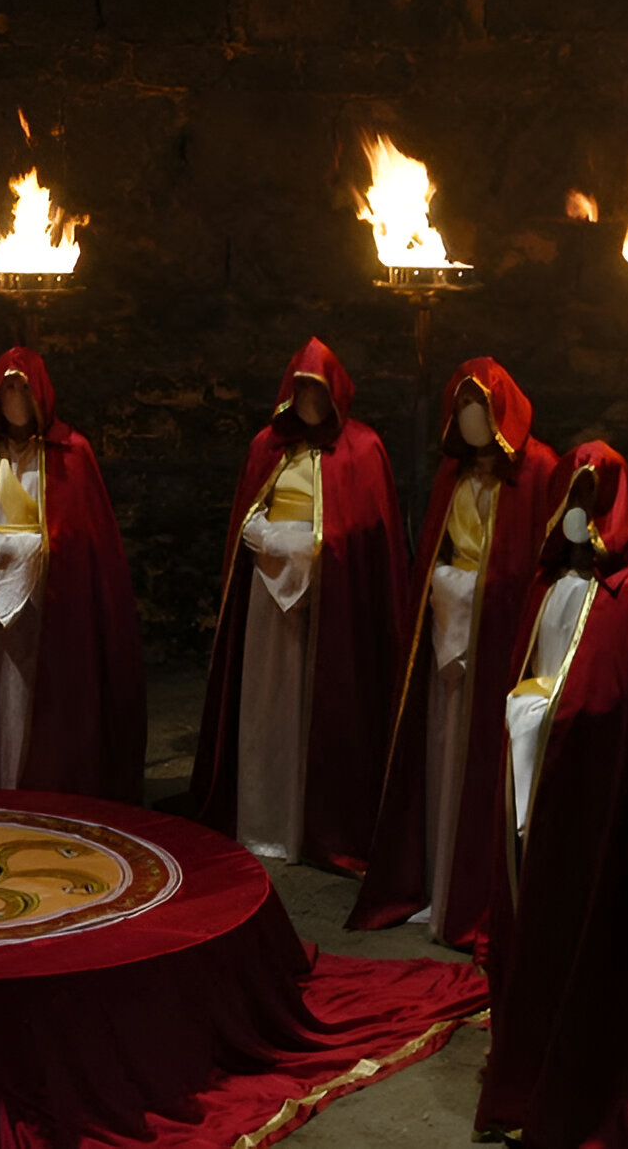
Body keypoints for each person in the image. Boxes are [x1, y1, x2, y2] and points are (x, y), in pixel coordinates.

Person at [474, 441, 628, 1147]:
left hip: (599, 800)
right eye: (570, 499)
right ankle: (530, 1071)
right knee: (536, 920)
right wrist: (533, 717)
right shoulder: (549, 586)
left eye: (589, 500)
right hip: (534, 772)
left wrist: (556, 717)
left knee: (587, 927)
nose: (578, 514)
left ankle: (585, 1080)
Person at [349, 357, 557, 945]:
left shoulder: (537, 470)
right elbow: (434, 556)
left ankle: (478, 888)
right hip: (448, 629)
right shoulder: (454, 473)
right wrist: (449, 589)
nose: (470, 419)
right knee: (444, 752)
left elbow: (529, 565)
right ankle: (440, 879)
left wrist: (484, 594)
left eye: (480, 408)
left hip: (496, 635)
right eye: (461, 408)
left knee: (484, 757)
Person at [189, 337, 406, 868]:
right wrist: (268, 537)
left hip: (331, 598)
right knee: (267, 701)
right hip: (267, 594)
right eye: (301, 388)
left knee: (321, 701)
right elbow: (247, 516)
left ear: (336, 393)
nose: (309, 400)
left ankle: (317, 821)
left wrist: (318, 546)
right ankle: (264, 816)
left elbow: (368, 531)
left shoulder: (363, 449)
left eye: (318, 390)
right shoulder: (267, 447)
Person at [0, 347, 146, 800]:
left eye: (23, 387)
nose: (16, 397)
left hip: (48, 612)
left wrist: (43, 550)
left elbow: (85, 540)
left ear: (40, 392)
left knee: (42, 699)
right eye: (8, 388)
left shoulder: (72, 454)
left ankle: (42, 792)